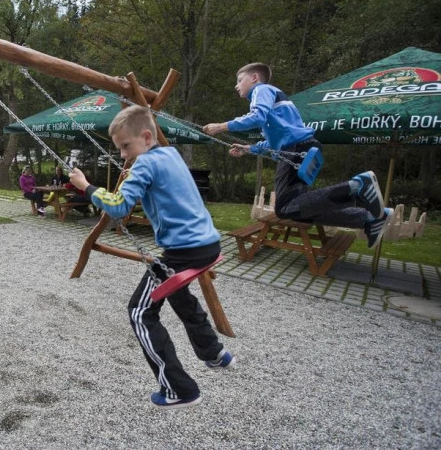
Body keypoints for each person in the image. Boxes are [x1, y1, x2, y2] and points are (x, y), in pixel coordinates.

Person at [69, 105, 235, 410]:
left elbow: (118, 207)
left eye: (126, 146)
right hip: (208, 245)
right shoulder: (170, 154)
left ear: (147, 137)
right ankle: (214, 353)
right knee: (177, 292)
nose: (123, 155)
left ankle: (179, 389)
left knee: (139, 311)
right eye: (119, 149)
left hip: (183, 251)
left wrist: (86, 187)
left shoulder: (144, 164)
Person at [202, 62, 393, 248]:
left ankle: (357, 186)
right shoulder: (273, 102)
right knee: (298, 209)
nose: (236, 86)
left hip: (296, 149)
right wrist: (249, 149)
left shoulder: (261, 90)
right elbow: (276, 143)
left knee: (285, 207)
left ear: (254, 78)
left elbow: (257, 117)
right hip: (299, 148)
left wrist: (221, 126)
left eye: (239, 80)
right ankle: (368, 219)